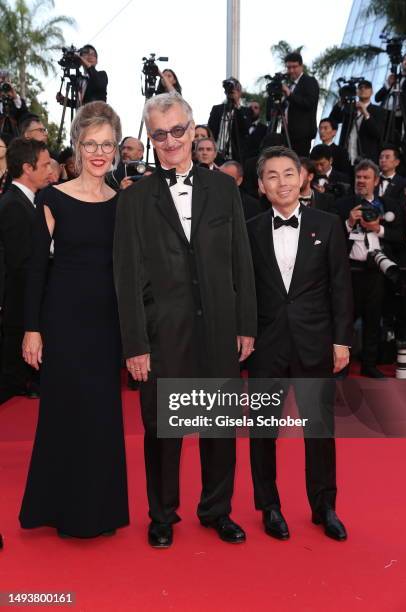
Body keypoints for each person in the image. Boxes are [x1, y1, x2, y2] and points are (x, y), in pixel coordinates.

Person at [114, 92, 257, 548]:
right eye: (160, 134)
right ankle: (162, 514)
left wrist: (246, 324)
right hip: (162, 333)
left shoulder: (223, 189)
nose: (171, 141)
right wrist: (135, 343)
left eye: (178, 130)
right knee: (162, 431)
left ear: (194, 130)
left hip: (218, 326)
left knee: (219, 427)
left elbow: (241, 261)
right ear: (150, 139)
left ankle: (217, 510)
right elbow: (127, 277)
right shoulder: (134, 201)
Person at [19, 101, 129, 538]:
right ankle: (57, 508)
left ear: (116, 149)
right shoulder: (52, 198)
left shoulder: (122, 204)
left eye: (107, 144)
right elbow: (33, 268)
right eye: (91, 144)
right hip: (62, 322)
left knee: (101, 415)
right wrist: (32, 327)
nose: (99, 152)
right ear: (78, 147)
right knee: (63, 414)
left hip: (106, 325)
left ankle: (97, 512)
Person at [246, 146, 353, 541]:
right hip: (265, 345)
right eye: (271, 176)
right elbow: (243, 291)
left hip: (315, 342)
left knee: (320, 430)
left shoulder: (327, 224)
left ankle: (324, 506)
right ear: (261, 185)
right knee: (263, 430)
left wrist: (342, 341)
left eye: (288, 173)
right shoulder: (250, 229)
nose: (281, 182)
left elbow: (341, 288)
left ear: (303, 177)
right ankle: (269, 505)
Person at [335, 159, 405, 377]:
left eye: (366, 178)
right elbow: (333, 239)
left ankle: (369, 364)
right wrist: (348, 222)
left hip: (377, 270)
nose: (361, 181)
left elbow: (400, 237)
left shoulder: (390, 204)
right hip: (350, 271)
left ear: (376, 181)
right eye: (358, 177)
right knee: (345, 320)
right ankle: (341, 365)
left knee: (373, 320)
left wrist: (378, 228)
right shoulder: (343, 204)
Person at [0, 138, 52, 401]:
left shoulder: (28, 202)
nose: (50, 171)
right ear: (27, 168)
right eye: (44, 165)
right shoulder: (12, 206)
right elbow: (21, 265)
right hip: (20, 311)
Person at [330, 80, 386, 164]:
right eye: (360, 88)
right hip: (345, 156)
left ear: (372, 92)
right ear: (356, 92)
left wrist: (366, 113)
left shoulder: (378, 110)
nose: (363, 89)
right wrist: (341, 102)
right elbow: (333, 120)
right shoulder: (350, 107)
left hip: (366, 158)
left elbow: (377, 133)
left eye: (366, 87)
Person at [280, 52, 319, 156]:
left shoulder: (309, 81)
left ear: (301, 66)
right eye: (288, 67)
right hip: (287, 134)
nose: (291, 70)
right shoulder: (289, 84)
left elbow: (309, 103)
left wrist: (289, 94)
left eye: (294, 67)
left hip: (302, 135)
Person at [208, 78, 252, 162]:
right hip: (217, 154)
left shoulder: (245, 111)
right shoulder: (217, 109)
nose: (231, 92)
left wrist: (237, 106)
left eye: (234, 90)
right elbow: (210, 130)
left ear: (239, 93)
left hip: (235, 155)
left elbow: (246, 129)